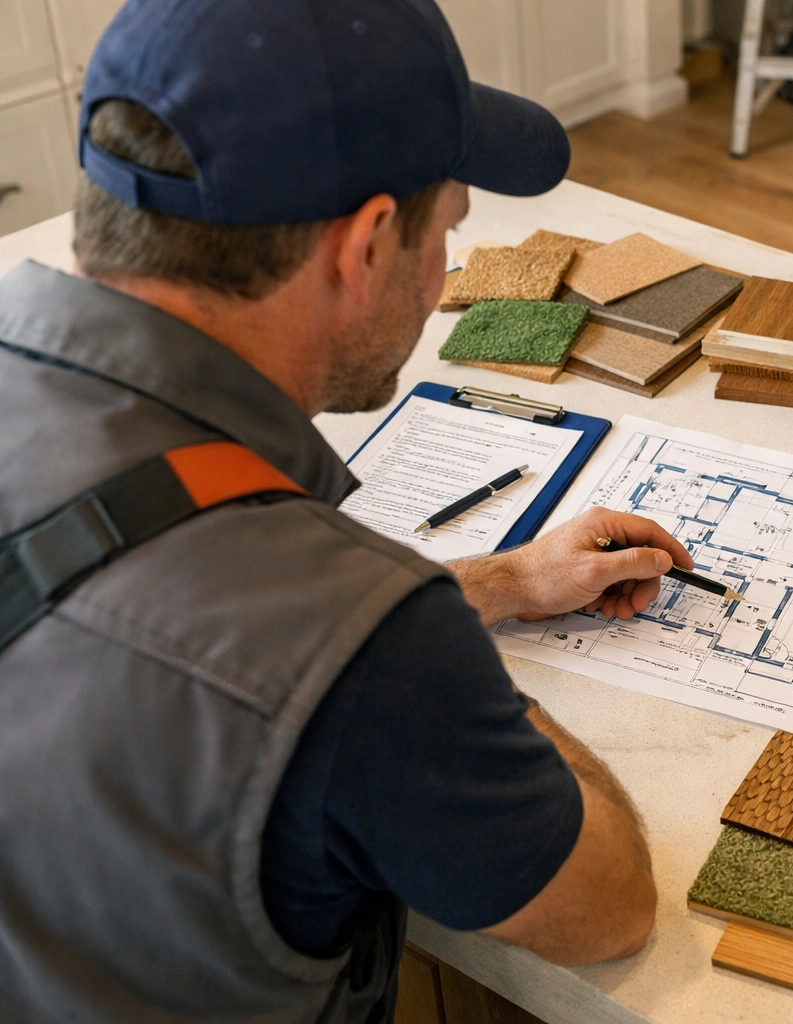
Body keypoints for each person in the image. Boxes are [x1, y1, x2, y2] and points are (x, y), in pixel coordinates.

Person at [0, 0, 692, 1020]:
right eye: (447, 230)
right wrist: (423, 631)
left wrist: (498, 581)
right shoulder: (365, 638)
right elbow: (608, 909)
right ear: (365, 245)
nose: (446, 272)